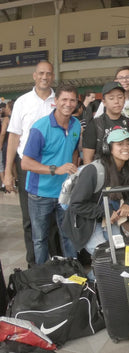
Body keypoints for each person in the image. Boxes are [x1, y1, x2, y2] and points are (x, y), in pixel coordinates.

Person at [21, 83, 81, 264]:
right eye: (64, 99)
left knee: (68, 235)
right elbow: (25, 163)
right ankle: (41, 277)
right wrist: (56, 169)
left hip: (65, 192)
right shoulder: (40, 128)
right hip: (40, 194)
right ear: (55, 101)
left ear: (77, 102)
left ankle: (73, 271)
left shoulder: (76, 124)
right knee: (40, 239)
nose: (68, 104)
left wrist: (74, 169)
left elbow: (74, 150)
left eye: (72, 100)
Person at [5, 60, 56, 266]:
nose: (45, 77)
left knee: (53, 218)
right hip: (27, 166)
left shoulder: (59, 100)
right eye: (41, 73)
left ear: (53, 76)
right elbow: (14, 137)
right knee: (30, 219)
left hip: (54, 167)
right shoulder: (22, 102)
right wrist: (7, 171)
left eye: (48, 74)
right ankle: (33, 264)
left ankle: (54, 262)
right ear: (34, 76)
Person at [67, 128, 129, 258]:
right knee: (105, 255)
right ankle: (95, 278)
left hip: (108, 218)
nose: (126, 147)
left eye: (128, 143)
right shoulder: (94, 170)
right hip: (87, 221)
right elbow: (76, 204)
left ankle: (102, 277)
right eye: (120, 144)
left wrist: (127, 204)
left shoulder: (127, 168)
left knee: (121, 253)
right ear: (107, 148)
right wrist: (105, 212)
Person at [82, 82, 129, 164]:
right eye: (111, 98)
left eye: (120, 97)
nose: (116, 101)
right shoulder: (94, 125)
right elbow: (87, 160)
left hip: (125, 174)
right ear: (104, 102)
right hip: (102, 174)